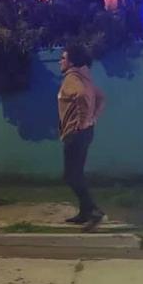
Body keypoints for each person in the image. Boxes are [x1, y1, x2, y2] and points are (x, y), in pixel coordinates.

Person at [58, 44, 106, 229]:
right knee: (75, 173)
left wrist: (83, 121)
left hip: (76, 133)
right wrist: (92, 118)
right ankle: (85, 213)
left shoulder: (72, 78)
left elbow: (82, 95)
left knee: (71, 175)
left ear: (72, 61)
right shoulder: (84, 77)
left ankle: (94, 211)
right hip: (84, 133)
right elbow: (101, 97)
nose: (60, 61)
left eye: (63, 58)